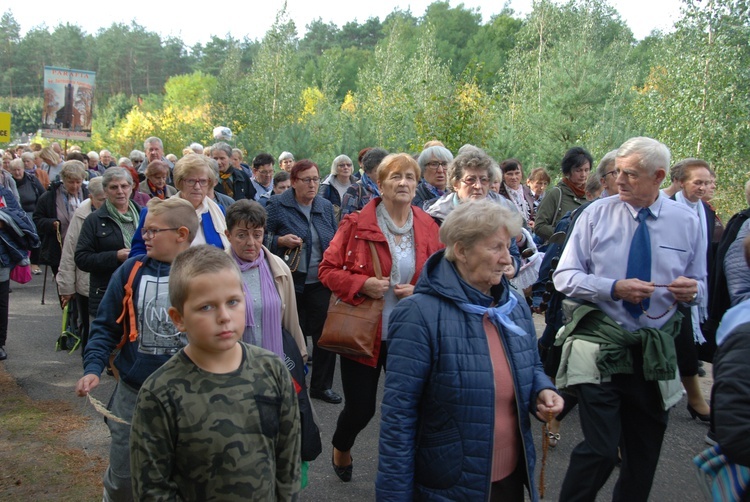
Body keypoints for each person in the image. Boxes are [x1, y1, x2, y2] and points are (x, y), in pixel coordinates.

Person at [376, 199, 562, 501]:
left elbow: (532, 367)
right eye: (496, 248)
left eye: (508, 248)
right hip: (448, 487)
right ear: (461, 250)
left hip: (510, 480)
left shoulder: (513, 308)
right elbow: (399, 418)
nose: (507, 260)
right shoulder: (419, 314)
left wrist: (541, 391)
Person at [553, 137, 705, 502]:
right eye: (617, 172)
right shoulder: (594, 215)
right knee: (602, 450)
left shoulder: (686, 222)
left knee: (643, 458)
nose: (618, 181)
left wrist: (692, 290)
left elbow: (701, 282)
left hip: (653, 353)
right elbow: (564, 277)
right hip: (600, 346)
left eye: (630, 174)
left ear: (659, 177)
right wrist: (613, 287)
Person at [129, 244, 301, 499]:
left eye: (233, 302)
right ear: (178, 318)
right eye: (206, 307)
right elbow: (153, 489)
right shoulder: (160, 392)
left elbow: (288, 459)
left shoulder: (272, 370)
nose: (224, 316)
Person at [319, 153, 444, 482]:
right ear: (380, 184)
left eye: (410, 177)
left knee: (410, 408)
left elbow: (440, 278)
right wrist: (363, 284)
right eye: (395, 177)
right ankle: (342, 445)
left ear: (417, 185)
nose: (403, 183)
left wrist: (419, 291)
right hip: (364, 331)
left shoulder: (429, 226)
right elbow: (326, 271)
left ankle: (402, 473)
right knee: (361, 408)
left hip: (411, 334)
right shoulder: (357, 223)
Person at [76, 197, 199, 500]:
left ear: (180, 234)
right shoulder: (131, 270)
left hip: (191, 398)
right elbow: (104, 326)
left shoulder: (206, 274)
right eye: (144, 230)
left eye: (152, 231)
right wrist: (93, 368)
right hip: (134, 394)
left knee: (183, 480)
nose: (144, 237)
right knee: (123, 480)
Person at [266, 159, 341, 404]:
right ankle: (293, 383)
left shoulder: (325, 206)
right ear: (294, 182)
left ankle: (321, 386)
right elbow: (261, 235)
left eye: (316, 179)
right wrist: (279, 241)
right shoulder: (278, 204)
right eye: (306, 180)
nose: (312, 184)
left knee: (324, 336)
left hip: (320, 281)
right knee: (289, 335)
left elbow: (335, 239)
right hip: (289, 281)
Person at [224, 199, 307, 360]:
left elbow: (291, 320)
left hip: (274, 363)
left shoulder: (279, 269)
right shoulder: (217, 272)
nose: (250, 242)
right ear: (228, 235)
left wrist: (300, 354)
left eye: (257, 235)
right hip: (234, 366)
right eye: (241, 235)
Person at [424, 147, 523, 276]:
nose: (478, 186)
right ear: (456, 183)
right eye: (470, 180)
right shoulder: (436, 216)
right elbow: (429, 263)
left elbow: (514, 253)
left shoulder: (500, 212)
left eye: (483, 180)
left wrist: (512, 267)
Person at [671, 158, 716, 421]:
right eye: (697, 182)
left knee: (686, 347)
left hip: (691, 287)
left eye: (708, 182)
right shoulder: (668, 208)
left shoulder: (706, 211)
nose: (703, 187)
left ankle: (695, 401)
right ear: (679, 182)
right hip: (666, 288)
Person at [129, 154, 230, 257]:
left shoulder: (218, 210)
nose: (197, 187)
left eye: (203, 181)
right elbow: (137, 254)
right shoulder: (155, 213)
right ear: (180, 182)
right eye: (191, 181)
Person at [75, 167, 141, 319]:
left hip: (140, 291)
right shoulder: (94, 220)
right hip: (107, 294)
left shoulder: (145, 215)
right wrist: (115, 256)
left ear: (131, 188)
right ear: (105, 191)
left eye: (124, 186)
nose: (120, 191)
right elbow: (82, 258)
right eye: (113, 187)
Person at [56, 178, 106, 353]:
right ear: (91, 197)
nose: (106, 203)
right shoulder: (82, 215)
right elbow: (69, 252)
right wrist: (66, 287)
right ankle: (89, 360)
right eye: (102, 200)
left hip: (112, 280)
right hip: (87, 283)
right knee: (88, 325)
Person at [0, 184, 39, 361]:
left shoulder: (4, 193)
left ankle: (0, 343)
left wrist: (6, 219)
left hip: (1, 258)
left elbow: (19, 217)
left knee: (1, 303)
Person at [33, 160, 89, 275]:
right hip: (59, 249)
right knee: (64, 284)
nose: (75, 186)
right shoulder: (49, 197)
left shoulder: (88, 194)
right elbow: (37, 219)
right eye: (71, 182)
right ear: (63, 179)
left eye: (78, 182)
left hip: (85, 248)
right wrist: (51, 223)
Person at [534, 147, 592, 243]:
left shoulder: (590, 196)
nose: (583, 175)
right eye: (578, 170)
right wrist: (564, 235)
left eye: (586, 170)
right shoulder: (556, 194)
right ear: (568, 171)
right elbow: (539, 226)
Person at [9, 158, 43, 274]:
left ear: (23, 169)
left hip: (32, 212)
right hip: (14, 214)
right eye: (14, 170)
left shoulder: (32, 179)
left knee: (35, 235)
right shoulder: (8, 181)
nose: (17, 173)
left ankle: (34, 263)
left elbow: (42, 195)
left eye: (19, 170)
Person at [341, 148, 389, 216]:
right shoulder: (354, 190)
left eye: (386, 170)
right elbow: (346, 221)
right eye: (378, 171)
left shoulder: (390, 189)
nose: (383, 174)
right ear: (368, 172)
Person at [498, 158, 536, 227]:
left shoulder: (527, 190)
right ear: (503, 176)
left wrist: (533, 221)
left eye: (517, 173)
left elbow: (535, 209)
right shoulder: (499, 193)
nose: (514, 177)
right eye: (509, 174)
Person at [319, 154, 356, 220]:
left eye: (349, 165)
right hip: (333, 224)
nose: (346, 167)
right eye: (342, 165)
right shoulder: (327, 185)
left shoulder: (357, 184)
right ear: (335, 167)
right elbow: (320, 206)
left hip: (352, 223)